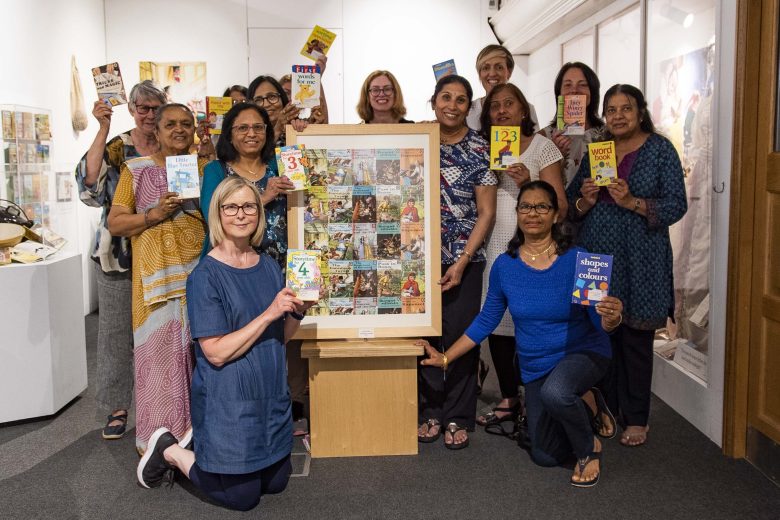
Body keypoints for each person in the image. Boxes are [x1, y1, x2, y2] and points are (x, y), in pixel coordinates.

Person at [421, 180, 623, 487]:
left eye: (542, 206)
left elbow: (599, 325)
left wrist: (611, 319)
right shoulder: (505, 266)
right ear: (517, 213)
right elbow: (485, 320)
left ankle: (587, 450)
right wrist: (446, 357)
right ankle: (587, 403)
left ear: (556, 215)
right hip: (536, 363)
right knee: (543, 455)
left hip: (581, 352)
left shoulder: (580, 260)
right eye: (526, 206)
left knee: (557, 393)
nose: (533, 213)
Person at [137, 176, 316, 511]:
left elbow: (281, 337)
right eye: (231, 207)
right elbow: (216, 354)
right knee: (242, 498)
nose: (240, 214)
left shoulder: (267, 266)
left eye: (249, 206)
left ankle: (210, 452)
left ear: (258, 214)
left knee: (277, 484)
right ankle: (171, 450)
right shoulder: (205, 276)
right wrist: (268, 313)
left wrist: (297, 314)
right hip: (231, 403)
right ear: (218, 214)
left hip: (270, 397)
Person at [567, 84, 687, 447]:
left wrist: (633, 201)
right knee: (599, 335)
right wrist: (585, 200)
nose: (618, 116)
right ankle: (605, 409)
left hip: (642, 258)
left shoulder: (660, 150)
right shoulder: (597, 151)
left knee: (635, 339)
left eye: (626, 109)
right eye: (612, 109)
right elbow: (572, 202)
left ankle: (636, 418)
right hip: (597, 255)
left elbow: (676, 205)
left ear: (640, 112)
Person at [199, 102, 312, 429]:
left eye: (259, 127)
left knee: (285, 337)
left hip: (283, 265)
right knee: (244, 337)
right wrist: (262, 195)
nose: (251, 133)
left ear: (268, 132)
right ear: (230, 135)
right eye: (242, 128)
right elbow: (213, 214)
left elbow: (310, 199)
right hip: (236, 268)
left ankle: (289, 405)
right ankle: (241, 415)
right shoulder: (216, 170)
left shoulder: (283, 159)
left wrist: (300, 135)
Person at [107, 103, 206, 453]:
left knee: (200, 359)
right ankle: (158, 443)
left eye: (185, 123)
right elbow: (115, 222)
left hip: (198, 279)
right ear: (157, 131)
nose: (178, 130)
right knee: (157, 362)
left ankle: (199, 440)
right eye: (170, 124)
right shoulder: (135, 171)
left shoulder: (206, 169)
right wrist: (153, 214)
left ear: (194, 128)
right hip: (153, 285)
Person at [75, 80, 167, 440]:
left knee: (161, 331)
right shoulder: (116, 146)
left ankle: (158, 401)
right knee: (114, 334)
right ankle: (117, 407)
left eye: (154, 108)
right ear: (131, 109)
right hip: (118, 254)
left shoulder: (170, 143)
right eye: (141, 108)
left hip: (162, 252)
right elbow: (89, 187)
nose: (148, 114)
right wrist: (102, 128)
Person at [474, 82, 565, 427]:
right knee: (498, 323)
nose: (501, 111)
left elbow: (562, 206)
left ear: (523, 110)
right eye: (494, 106)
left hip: (533, 244)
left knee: (529, 319)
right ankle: (509, 397)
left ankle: (535, 398)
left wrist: (528, 181)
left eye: (508, 104)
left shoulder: (542, 148)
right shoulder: (484, 150)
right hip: (494, 242)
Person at [417, 75, 497, 450]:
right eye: (445, 97)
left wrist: (463, 260)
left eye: (461, 99)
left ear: (469, 106)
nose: (452, 104)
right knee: (425, 335)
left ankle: (458, 415)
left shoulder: (481, 147)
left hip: (465, 258)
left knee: (461, 335)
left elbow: (486, 212)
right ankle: (431, 411)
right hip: (416, 258)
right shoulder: (418, 140)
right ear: (433, 101)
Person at [539, 62, 606, 188]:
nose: (574, 90)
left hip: (597, 204)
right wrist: (554, 156)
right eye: (568, 85)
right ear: (559, 94)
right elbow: (536, 184)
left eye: (583, 85)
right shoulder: (543, 137)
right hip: (559, 205)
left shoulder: (607, 134)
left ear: (592, 93)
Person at [466, 44, 538, 131]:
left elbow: (534, 142)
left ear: (509, 72)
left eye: (499, 67)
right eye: (486, 68)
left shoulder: (526, 108)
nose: (492, 73)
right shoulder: (468, 110)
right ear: (480, 74)